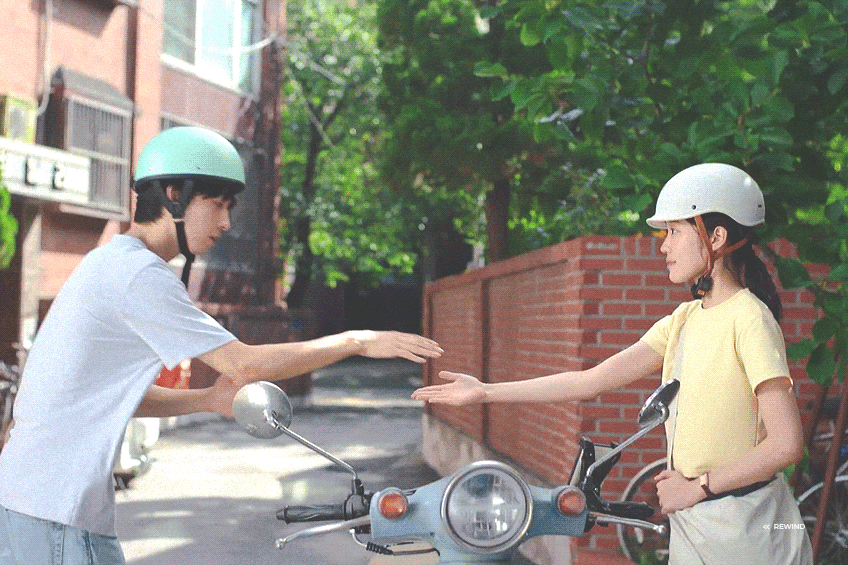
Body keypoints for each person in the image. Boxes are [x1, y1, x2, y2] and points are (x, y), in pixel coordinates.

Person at [0, 126, 442, 565]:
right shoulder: (138, 276)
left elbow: (102, 397)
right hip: (57, 514)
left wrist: (207, 399)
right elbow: (243, 364)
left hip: (29, 504)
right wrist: (357, 341)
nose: (227, 222)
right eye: (217, 204)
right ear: (174, 195)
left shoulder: (110, 263)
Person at [412, 163, 812, 565]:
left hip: (747, 533)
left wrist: (699, 486)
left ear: (717, 237)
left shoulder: (750, 319)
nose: (664, 246)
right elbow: (590, 381)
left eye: (674, 232)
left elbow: (786, 444)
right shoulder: (684, 320)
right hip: (699, 527)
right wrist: (484, 392)